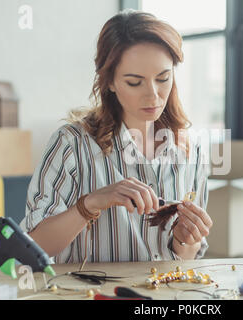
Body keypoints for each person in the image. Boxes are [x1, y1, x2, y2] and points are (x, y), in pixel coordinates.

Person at [20, 9, 212, 263]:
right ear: (109, 81)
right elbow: (32, 246)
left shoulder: (191, 149)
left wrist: (186, 238)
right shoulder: (72, 144)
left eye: (163, 78)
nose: (153, 95)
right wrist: (91, 203)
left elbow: (187, 256)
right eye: (135, 82)